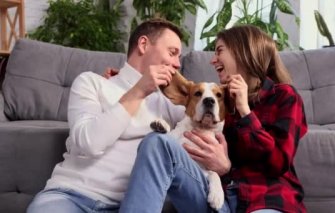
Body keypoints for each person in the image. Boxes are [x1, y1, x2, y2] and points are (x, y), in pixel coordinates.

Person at [121, 25, 308, 213]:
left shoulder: (284, 96)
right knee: (156, 142)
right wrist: (124, 79)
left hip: (265, 201)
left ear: (242, 51)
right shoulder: (221, 102)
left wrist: (244, 111)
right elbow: (185, 106)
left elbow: (278, 163)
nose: (213, 60)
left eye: (219, 51)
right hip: (216, 200)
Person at [27, 18, 187, 213]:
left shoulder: (169, 103)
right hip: (69, 196)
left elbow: (211, 115)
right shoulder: (91, 83)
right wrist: (137, 91)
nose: (177, 64)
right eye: (172, 53)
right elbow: (89, 143)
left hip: (129, 205)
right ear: (143, 44)